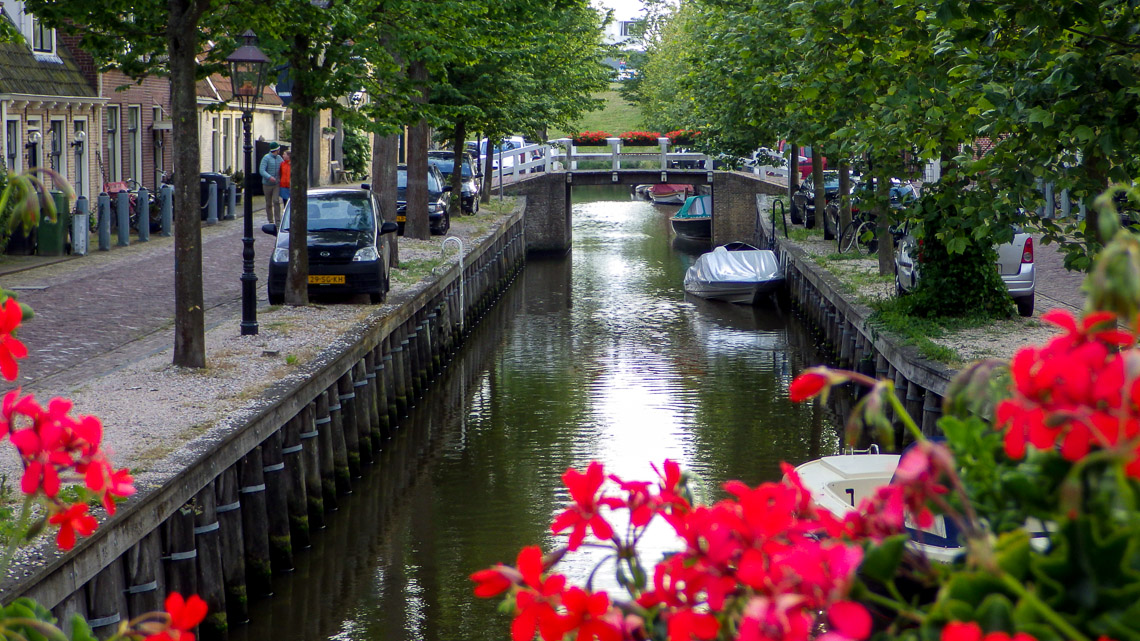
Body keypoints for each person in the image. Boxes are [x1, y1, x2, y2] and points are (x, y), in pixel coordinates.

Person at [259, 142, 283, 224]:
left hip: (276, 184)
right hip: (267, 184)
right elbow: (262, 170)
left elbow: (283, 166)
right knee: (268, 203)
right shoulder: (266, 158)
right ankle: (270, 220)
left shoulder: (279, 158)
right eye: (278, 149)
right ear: (276, 150)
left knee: (276, 201)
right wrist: (269, 177)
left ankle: (278, 220)